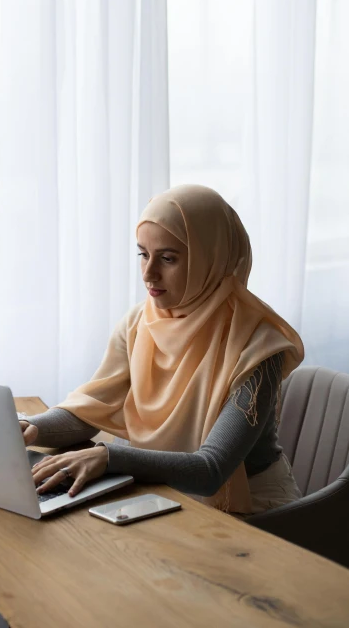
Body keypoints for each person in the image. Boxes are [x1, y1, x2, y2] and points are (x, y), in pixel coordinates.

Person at [20, 184, 304, 518]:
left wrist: (109, 457)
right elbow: (90, 410)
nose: (148, 273)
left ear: (210, 259)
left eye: (168, 258)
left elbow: (211, 469)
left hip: (260, 517)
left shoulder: (259, 345)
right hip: (165, 496)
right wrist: (27, 428)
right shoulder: (141, 323)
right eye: (143, 254)